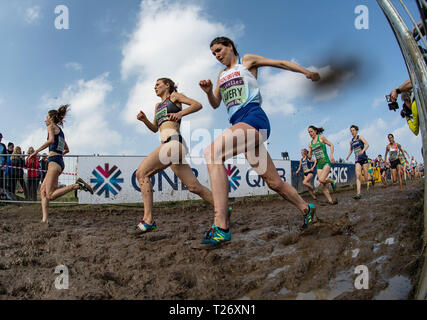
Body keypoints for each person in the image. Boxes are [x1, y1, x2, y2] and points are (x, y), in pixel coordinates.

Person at [198, 36, 319, 246]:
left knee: (212, 153)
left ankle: (221, 226)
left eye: (219, 50)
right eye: (213, 54)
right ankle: (306, 209)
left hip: (254, 118)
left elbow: (279, 63)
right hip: (240, 124)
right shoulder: (221, 74)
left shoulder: (246, 61)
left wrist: (306, 71)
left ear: (230, 47)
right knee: (274, 183)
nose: (216, 56)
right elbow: (216, 103)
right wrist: (209, 92)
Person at [128, 78, 216, 235]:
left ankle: (148, 221)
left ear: (167, 85)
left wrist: (181, 113)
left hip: (174, 143)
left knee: (141, 173)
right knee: (194, 187)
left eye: (157, 84)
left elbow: (197, 104)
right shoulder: (157, 106)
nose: (154, 87)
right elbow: (155, 128)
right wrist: (144, 120)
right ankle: (222, 207)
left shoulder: (175, 96)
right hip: (170, 146)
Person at [28, 105, 93, 223]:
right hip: (57, 162)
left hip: (54, 163)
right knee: (42, 191)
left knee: (50, 195)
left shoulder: (51, 126)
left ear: (51, 118)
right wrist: (56, 155)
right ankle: (45, 220)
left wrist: (36, 151)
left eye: (46, 117)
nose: (45, 119)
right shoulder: (61, 132)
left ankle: (77, 185)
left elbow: (51, 140)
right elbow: (66, 149)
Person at [308, 126, 337, 205]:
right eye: (309, 132)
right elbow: (310, 157)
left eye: (311, 131)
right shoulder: (310, 144)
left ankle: (332, 181)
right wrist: (309, 155)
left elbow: (331, 145)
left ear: (315, 131)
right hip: (319, 165)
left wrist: (331, 155)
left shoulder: (321, 138)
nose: (310, 133)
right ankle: (330, 200)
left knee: (321, 179)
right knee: (322, 184)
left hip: (326, 162)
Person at [345, 125, 372, 200]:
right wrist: (348, 156)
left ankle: (371, 178)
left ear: (356, 131)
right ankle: (358, 193)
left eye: (353, 130)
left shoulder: (360, 137)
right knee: (358, 175)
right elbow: (351, 149)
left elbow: (367, 144)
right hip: (357, 159)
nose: (352, 132)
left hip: (364, 158)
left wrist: (362, 151)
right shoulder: (351, 141)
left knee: (366, 178)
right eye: (351, 131)